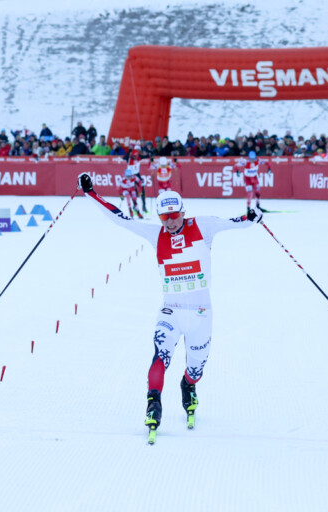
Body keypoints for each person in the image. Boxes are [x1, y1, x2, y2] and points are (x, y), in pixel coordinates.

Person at [77, 174, 263, 441]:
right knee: (160, 356)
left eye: (174, 215)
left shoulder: (203, 226)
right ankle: (153, 403)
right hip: (171, 311)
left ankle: (188, 385)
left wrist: (252, 217)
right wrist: (90, 193)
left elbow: (235, 222)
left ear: (183, 212)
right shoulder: (156, 234)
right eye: (164, 217)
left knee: (196, 370)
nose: (170, 222)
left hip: (201, 313)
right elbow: (120, 218)